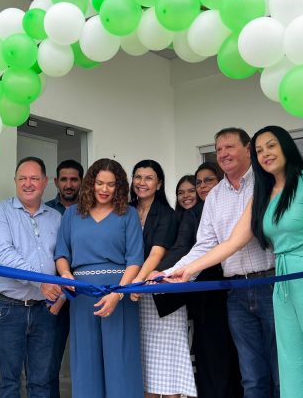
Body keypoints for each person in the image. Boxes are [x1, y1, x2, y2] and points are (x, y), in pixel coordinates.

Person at [171, 126, 303, 398]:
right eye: (260, 150)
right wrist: (183, 271)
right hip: (282, 290)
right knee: (293, 370)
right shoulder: (263, 193)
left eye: (271, 146)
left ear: (285, 146)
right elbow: (231, 243)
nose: (265, 154)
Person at [163, 128, 279, 398]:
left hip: (272, 285)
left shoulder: (266, 183)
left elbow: (240, 239)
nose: (224, 153)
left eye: (230, 147)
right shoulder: (215, 196)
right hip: (236, 293)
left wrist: (183, 270)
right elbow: (204, 245)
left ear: (248, 149)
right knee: (251, 376)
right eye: (219, 150)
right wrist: (170, 272)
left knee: (281, 370)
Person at [53, 158, 144, 398]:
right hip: (82, 295)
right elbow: (61, 253)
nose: (104, 189)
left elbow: (135, 259)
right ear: (90, 183)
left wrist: (117, 294)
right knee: (86, 361)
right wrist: (66, 275)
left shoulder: (129, 214)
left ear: (119, 187)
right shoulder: (72, 214)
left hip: (119, 294)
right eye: (100, 183)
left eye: (111, 184)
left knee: (120, 360)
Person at [0, 157, 63, 398]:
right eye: (23, 178)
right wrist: (42, 281)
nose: (28, 183)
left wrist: (60, 298)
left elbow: (65, 259)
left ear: (45, 182)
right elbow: (5, 255)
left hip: (45, 310)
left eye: (34, 178)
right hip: (8, 309)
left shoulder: (56, 217)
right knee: (9, 382)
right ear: (15, 181)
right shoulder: (0, 212)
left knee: (41, 383)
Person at [168, 165, 245, 398]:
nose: (202, 187)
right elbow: (186, 249)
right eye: (198, 182)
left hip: (233, 290)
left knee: (237, 355)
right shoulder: (191, 215)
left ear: (221, 181)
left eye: (207, 181)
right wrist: (162, 273)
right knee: (212, 356)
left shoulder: (232, 206)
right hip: (206, 296)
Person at [129, 160, 196, 398]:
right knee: (143, 365)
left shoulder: (167, 214)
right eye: (138, 177)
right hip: (132, 294)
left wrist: (136, 282)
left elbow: (157, 254)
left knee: (168, 366)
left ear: (159, 184)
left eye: (149, 178)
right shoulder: (125, 211)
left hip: (160, 298)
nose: (142, 182)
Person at [44, 159, 84, 398]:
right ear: (56, 182)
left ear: (82, 181)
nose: (69, 185)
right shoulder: (46, 211)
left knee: (87, 357)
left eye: (74, 179)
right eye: (64, 179)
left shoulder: (91, 211)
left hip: (84, 294)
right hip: (54, 294)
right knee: (49, 361)